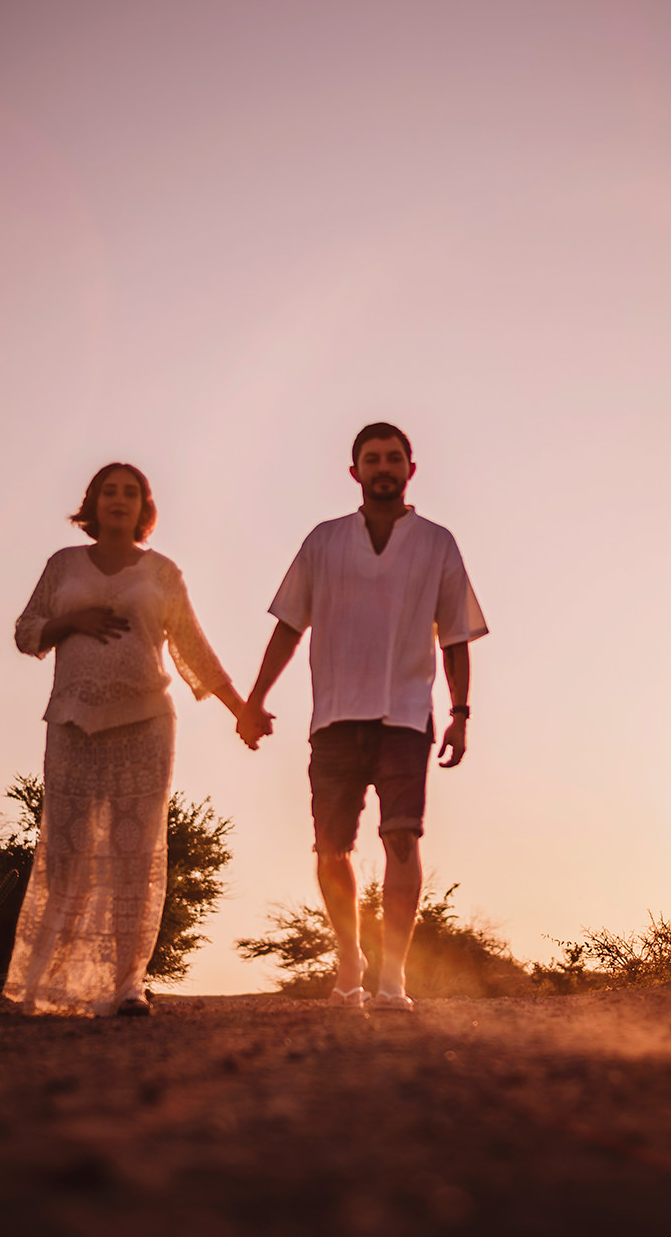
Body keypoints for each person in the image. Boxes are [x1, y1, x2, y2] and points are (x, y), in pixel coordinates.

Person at [238, 422, 486, 1011]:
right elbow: (289, 625)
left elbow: (455, 635)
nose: (383, 467)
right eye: (372, 459)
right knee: (331, 848)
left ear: (410, 470)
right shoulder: (323, 542)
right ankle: (349, 959)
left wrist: (460, 713)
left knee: (402, 839)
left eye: (393, 458)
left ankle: (392, 976)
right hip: (334, 720)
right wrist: (255, 698)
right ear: (354, 472)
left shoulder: (436, 543)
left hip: (405, 716)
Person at [6, 461, 246, 1017]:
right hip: (71, 721)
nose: (119, 500)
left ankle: (126, 984)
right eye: (109, 491)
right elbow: (25, 631)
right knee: (65, 850)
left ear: (144, 507)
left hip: (144, 723)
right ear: (92, 503)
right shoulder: (62, 565)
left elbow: (192, 648)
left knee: (134, 852)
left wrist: (241, 710)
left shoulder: (162, 572)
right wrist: (72, 621)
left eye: (130, 493)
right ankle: (46, 983)